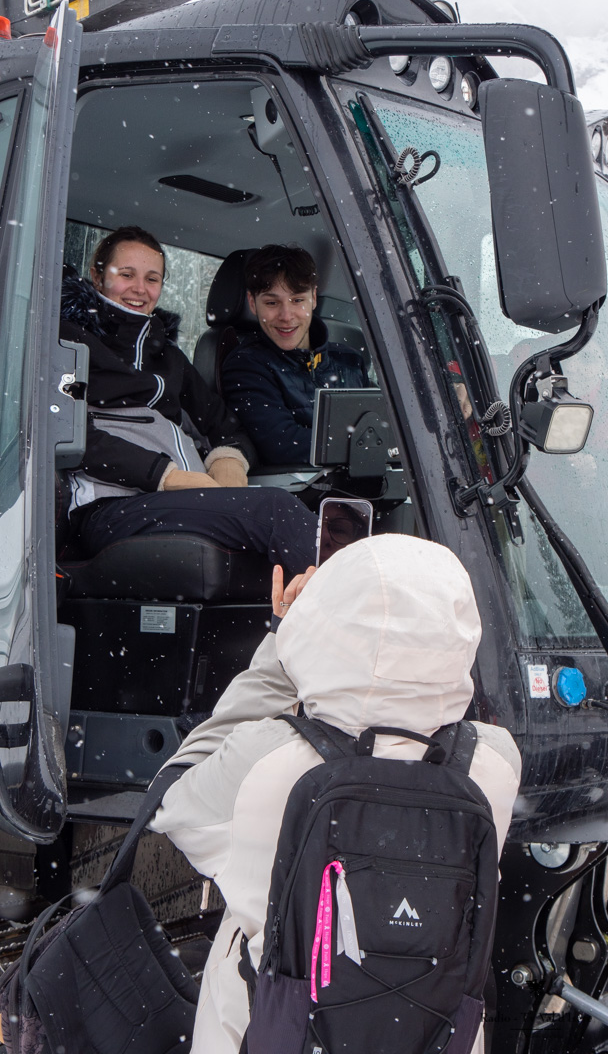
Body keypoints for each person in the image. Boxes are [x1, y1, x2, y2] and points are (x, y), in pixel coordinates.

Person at [151, 533, 521, 1054]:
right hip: (432, 1038)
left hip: (271, 1034)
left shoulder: (266, 760)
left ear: (323, 624)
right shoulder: (495, 761)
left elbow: (170, 798)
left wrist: (280, 650)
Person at [60, 226, 317, 573]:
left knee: (291, 535)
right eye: (126, 275)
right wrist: (163, 475)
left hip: (177, 502)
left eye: (152, 279)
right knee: (275, 511)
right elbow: (63, 428)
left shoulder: (168, 358)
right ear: (97, 276)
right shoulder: (69, 342)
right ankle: (347, 604)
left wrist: (229, 463)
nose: (140, 289)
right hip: (108, 507)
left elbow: (226, 427)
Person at [221, 244, 370, 464]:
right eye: (272, 303)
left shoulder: (349, 361)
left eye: (298, 300)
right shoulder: (246, 366)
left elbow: (383, 424)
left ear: (314, 298)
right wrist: (366, 445)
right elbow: (282, 444)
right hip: (301, 484)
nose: (286, 315)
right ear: (252, 303)